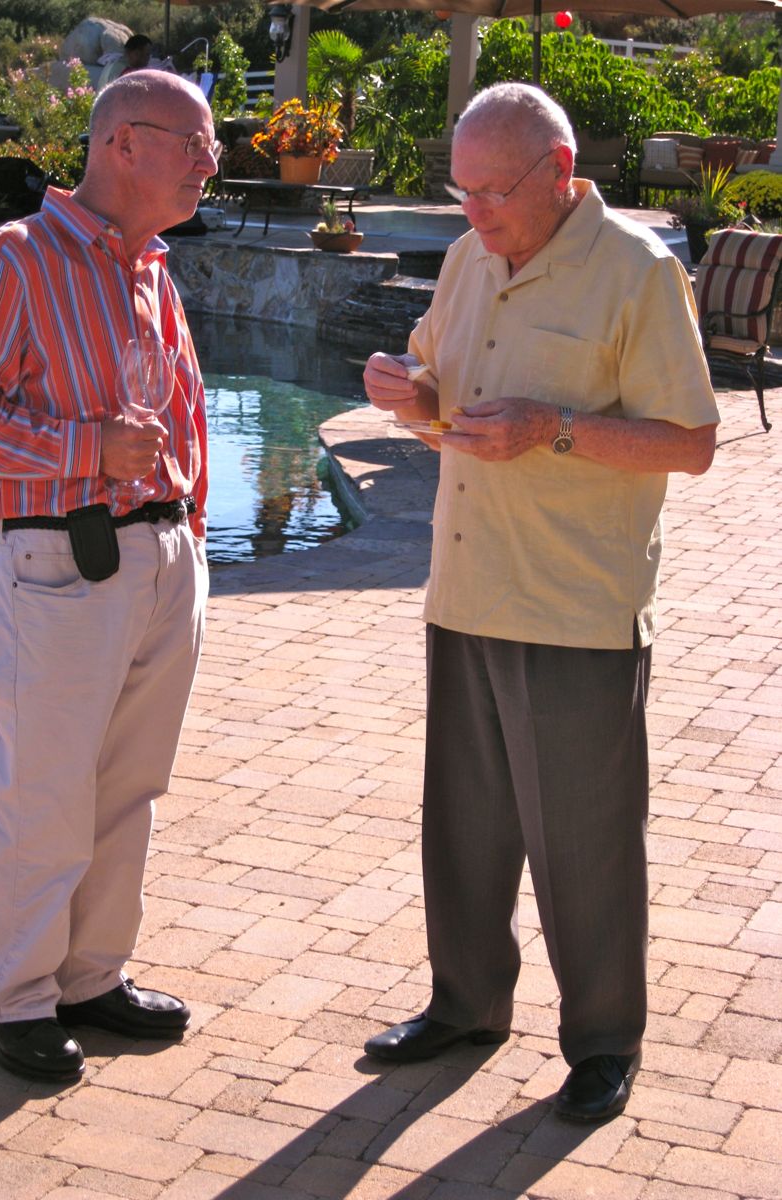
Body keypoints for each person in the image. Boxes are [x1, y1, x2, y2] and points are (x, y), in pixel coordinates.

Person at [361, 83, 719, 1123]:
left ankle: (605, 1041)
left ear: (559, 175)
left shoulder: (638, 274)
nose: (470, 213)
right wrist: (409, 396)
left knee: (586, 842)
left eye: (490, 191)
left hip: (575, 607)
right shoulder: (474, 258)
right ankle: (465, 1004)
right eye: (459, 188)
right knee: (463, 827)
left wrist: (553, 429)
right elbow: (447, 399)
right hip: (468, 586)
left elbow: (690, 443)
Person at [0, 71, 220, 1085]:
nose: (213, 160)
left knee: (131, 787)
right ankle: (14, 999)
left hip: (162, 558)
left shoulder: (151, 269)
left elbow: (181, 419)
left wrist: (192, 538)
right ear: (122, 145)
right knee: (46, 791)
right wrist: (88, 449)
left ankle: (90, 977)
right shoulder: (17, 260)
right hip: (62, 561)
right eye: (196, 142)